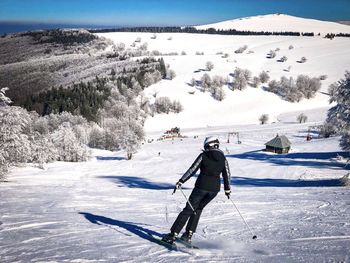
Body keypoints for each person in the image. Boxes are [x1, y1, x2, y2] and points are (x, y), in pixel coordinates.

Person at [162, 136, 231, 244]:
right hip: (214, 191)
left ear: (208, 145)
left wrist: (181, 181)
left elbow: (192, 169)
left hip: (201, 187)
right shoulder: (223, 158)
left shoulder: (204, 155)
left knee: (188, 210)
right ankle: (188, 235)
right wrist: (227, 189)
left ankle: (172, 235)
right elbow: (227, 175)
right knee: (198, 209)